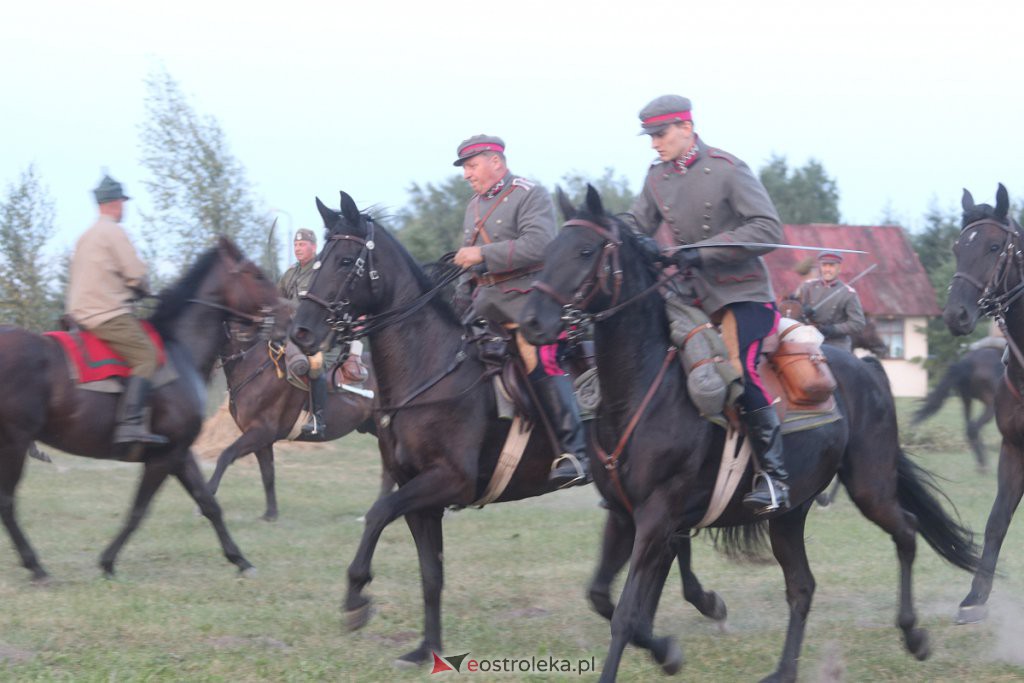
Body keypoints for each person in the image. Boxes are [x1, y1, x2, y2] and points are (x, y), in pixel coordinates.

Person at [629, 95, 789, 514]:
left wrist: (701, 251)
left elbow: (767, 229)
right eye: (650, 137)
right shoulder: (656, 177)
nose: (654, 144)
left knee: (737, 370)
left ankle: (773, 478)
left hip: (741, 294)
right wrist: (619, 234)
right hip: (687, 295)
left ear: (686, 127)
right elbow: (636, 222)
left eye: (660, 135)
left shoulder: (727, 169)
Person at [452, 134, 589, 489]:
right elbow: (471, 261)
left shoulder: (529, 193)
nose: (467, 174)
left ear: (495, 161)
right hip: (484, 305)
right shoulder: (474, 205)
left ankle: (573, 453)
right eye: (465, 168)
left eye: (472, 165)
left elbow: (541, 245)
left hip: (528, 303)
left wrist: (483, 255)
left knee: (542, 362)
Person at [66, 174, 169, 450]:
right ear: (115, 203)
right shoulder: (114, 232)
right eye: (123, 201)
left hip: (79, 313)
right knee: (147, 356)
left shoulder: (85, 236)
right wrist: (145, 289)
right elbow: (135, 273)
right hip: (106, 314)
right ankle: (131, 424)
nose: (124, 207)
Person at [279, 228, 335, 438]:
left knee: (314, 366)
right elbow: (278, 298)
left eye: (302, 245)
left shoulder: (320, 273)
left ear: (313, 247)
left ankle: (317, 419)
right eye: (295, 245)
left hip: (315, 335)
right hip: (288, 332)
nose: (297, 248)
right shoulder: (290, 273)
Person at [794, 251, 866, 352]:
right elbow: (791, 312)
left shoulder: (848, 293)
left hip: (835, 344)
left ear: (839, 268)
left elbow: (857, 323)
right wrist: (800, 311)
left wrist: (833, 329)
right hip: (807, 341)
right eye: (824, 265)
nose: (827, 270)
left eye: (831, 266)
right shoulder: (806, 286)